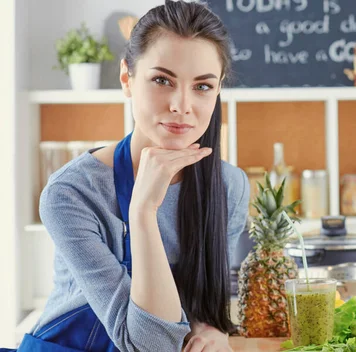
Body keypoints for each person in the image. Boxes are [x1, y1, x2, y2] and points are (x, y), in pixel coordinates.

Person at [1, 1, 250, 351]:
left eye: (202, 86)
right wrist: (143, 211)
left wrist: (211, 330)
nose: (181, 104)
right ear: (126, 79)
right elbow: (148, 346)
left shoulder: (229, 187)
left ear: (219, 88)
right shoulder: (70, 194)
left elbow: (204, 298)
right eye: (162, 80)